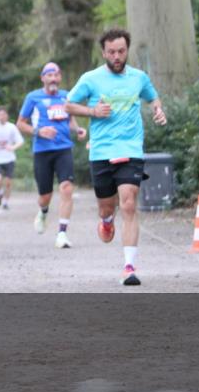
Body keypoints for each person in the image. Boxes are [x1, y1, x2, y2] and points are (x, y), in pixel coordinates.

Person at [65, 29, 167, 286]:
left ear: (127, 50)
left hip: (131, 149)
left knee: (129, 203)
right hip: (101, 151)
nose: (117, 56)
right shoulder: (91, 79)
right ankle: (106, 220)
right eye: (111, 52)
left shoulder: (139, 77)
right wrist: (93, 111)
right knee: (106, 207)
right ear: (103, 53)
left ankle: (129, 268)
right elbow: (68, 105)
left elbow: (153, 98)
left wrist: (158, 110)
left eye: (121, 51)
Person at [17, 62, 87, 249]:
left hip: (64, 149)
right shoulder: (33, 97)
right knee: (45, 196)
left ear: (60, 77)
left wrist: (78, 129)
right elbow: (20, 124)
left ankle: (62, 233)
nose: (53, 78)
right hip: (42, 151)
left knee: (66, 188)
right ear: (43, 78)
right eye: (49, 75)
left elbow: (70, 119)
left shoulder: (66, 96)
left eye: (56, 75)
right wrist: (39, 132)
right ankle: (43, 211)